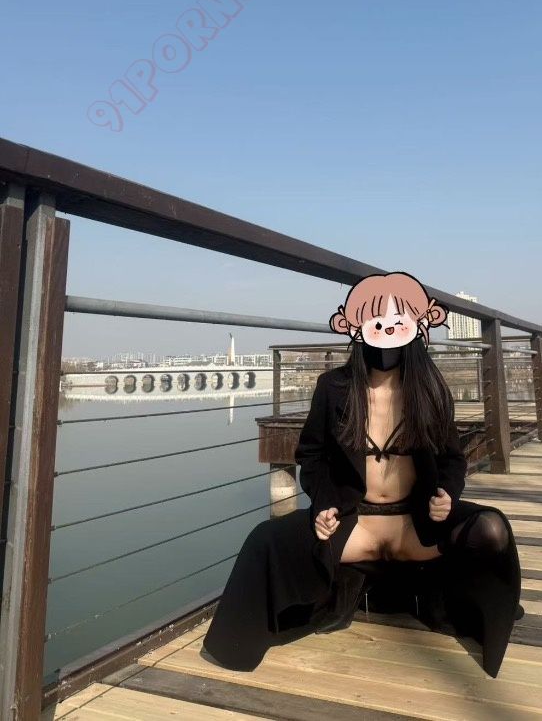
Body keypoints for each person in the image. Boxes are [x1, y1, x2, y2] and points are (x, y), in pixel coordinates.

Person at [201, 271, 523, 677]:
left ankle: (455, 603)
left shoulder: (431, 389)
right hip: (357, 527)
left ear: (417, 327)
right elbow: (311, 456)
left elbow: (452, 459)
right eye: (375, 322)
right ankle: (243, 644)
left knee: (492, 529)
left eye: (397, 322)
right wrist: (325, 504)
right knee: (264, 539)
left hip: (416, 528)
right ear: (355, 327)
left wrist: (446, 493)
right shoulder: (333, 387)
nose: (386, 332)